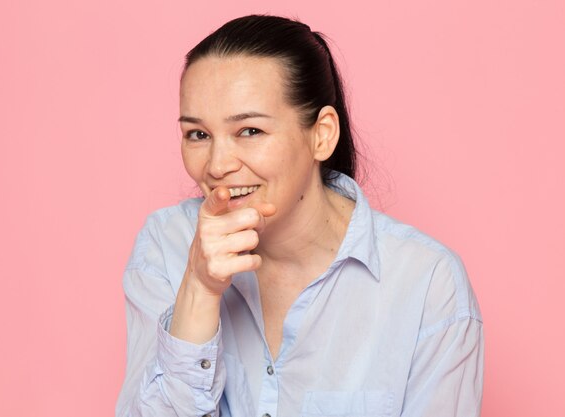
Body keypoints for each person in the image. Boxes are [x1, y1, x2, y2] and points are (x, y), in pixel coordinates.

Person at [116, 15, 484, 417]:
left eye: (250, 131)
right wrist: (199, 292)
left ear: (322, 134)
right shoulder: (164, 246)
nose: (217, 165)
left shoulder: (427, 284)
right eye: (198, 135)